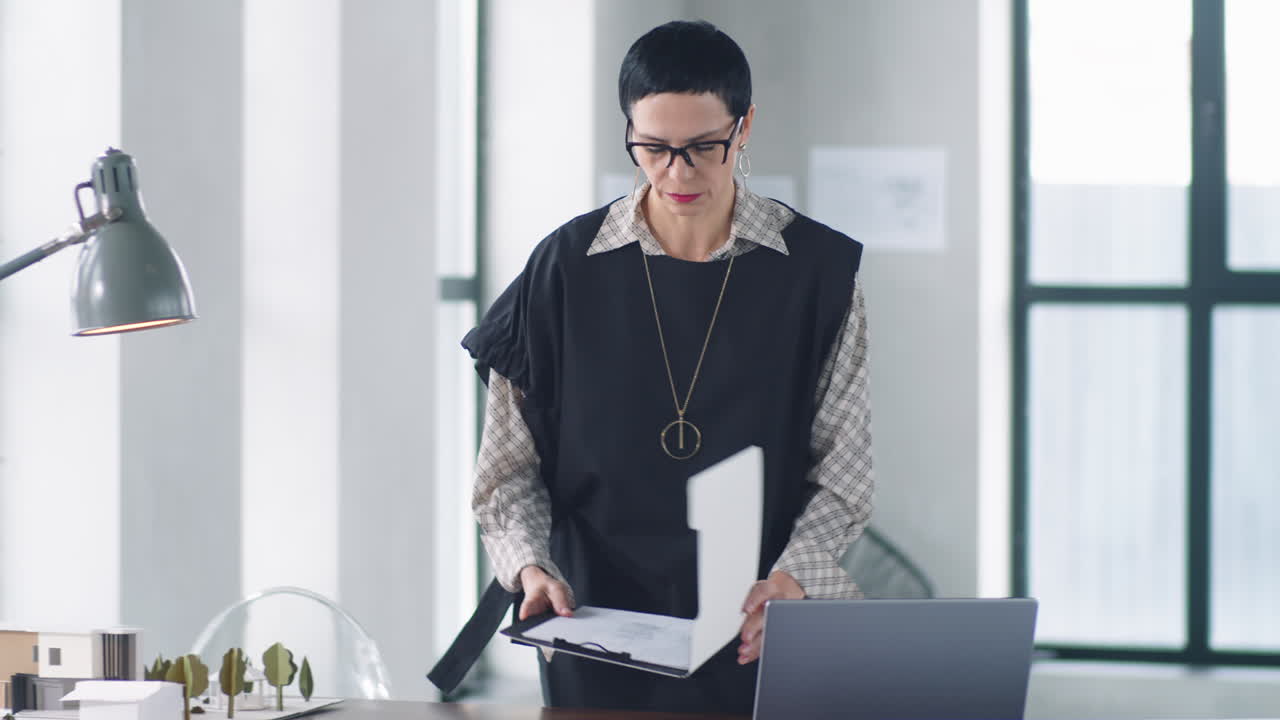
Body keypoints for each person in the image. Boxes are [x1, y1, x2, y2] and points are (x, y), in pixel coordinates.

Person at [446, 19, 874, 714]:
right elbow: (506, 473)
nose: (678, 172)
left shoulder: (820, 276)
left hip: (756, 622)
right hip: (594, 625)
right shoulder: (561, 268)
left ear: (744, 127)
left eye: (704, 147)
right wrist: (529, 565)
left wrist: (796, 577)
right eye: (652, 147)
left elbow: (845, 473)